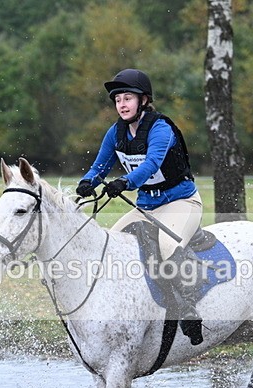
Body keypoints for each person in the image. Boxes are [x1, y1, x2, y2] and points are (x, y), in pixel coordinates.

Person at [76, 68, 204, 345]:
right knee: (109, 248)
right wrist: (88, 182)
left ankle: (189, 309)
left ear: (143, 100)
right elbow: (100, 165)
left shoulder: (161, 128)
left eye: (127, 98)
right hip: (147, 206)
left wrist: (124, 182)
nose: (121, 104)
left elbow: (150, 165)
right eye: (118, 99)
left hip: (181, 202)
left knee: (168, 248)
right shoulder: (115, 132)